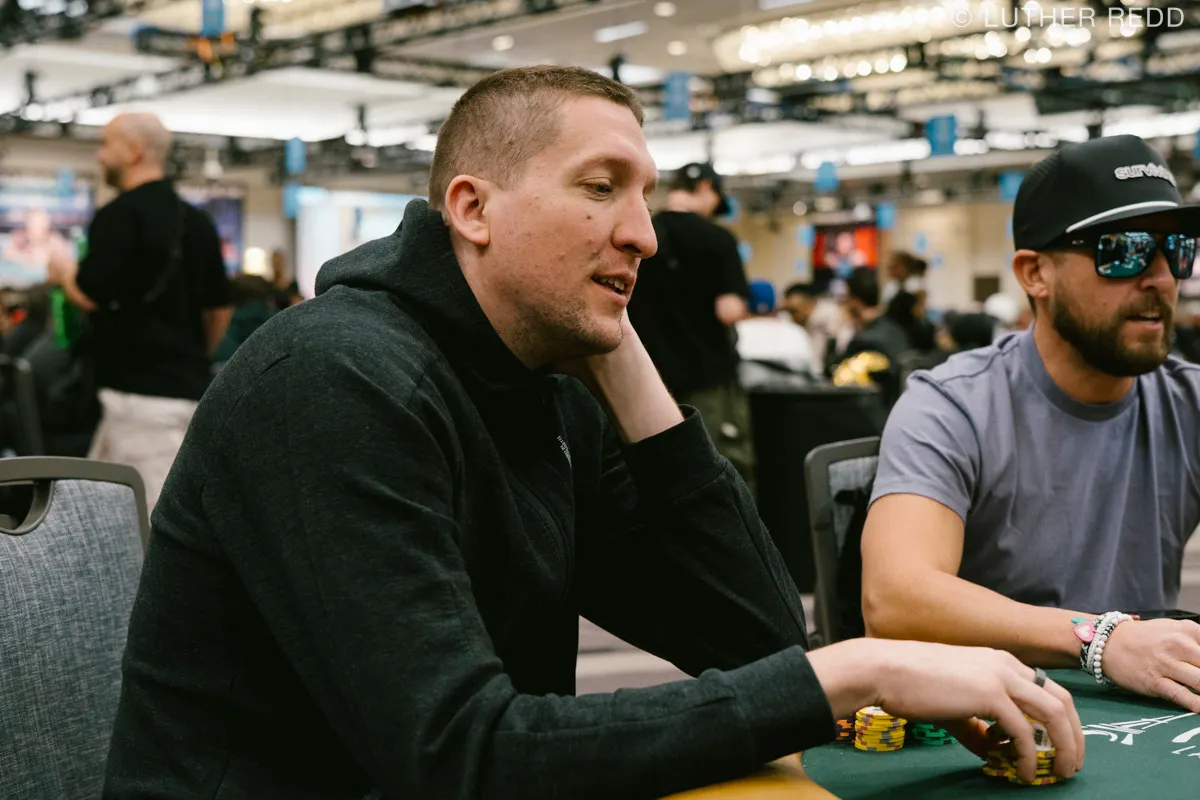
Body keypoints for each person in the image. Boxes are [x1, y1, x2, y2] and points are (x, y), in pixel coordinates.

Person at [103, 67, 1084, 799]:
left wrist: (629, 372)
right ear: (472, 209)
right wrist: (862, 666)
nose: (644, 234)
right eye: (601, 186)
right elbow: (459, 754)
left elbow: (757, 641)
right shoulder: (332, 380)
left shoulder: (548, 392)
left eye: (645, 195)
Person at [861, 133, 1200, 715]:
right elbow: (895, 598)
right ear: (1034, 273)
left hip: (1147, 712)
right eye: (1123, 250)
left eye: (1177, 249)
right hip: (989, 723)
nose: (1161, 277)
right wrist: (1102, 639)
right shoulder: (952, 406)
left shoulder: (1187, 402)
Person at [46, 113, 232, 509]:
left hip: (136, 398)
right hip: (187, 391)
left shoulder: (119, 215)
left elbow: (89, 295)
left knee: (149, 518)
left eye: (105, 145)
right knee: (103, 507)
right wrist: (192, 355)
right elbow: (219, 308)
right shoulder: (199, 222)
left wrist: (63, 273)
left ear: (133, 152)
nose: (99, 156)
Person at [625, 161, 756, 491]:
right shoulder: (719, 240)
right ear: (705, 189)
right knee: (718, 470)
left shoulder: (642, 237)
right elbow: (729, 310)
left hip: (647, 379)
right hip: (707, 380)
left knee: (657, 472)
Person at [826, 267, 914, 406]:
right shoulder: (897, 331)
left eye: (846, 298)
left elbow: (833, 374)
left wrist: (835, 334)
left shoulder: (863, 342)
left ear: (855, 301)